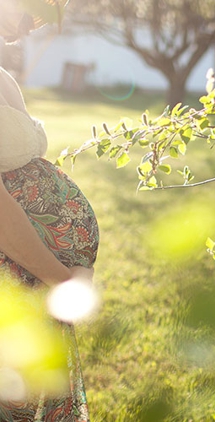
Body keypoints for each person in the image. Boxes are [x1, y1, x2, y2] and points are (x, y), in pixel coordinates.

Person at [0, 1, 99, 421]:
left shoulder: (4, 77)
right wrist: (62, 279)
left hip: (31, 274)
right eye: (29, 12)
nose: (30, 26)